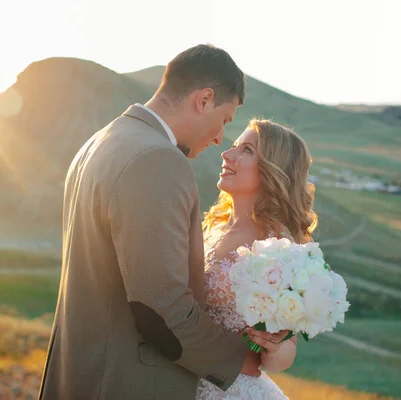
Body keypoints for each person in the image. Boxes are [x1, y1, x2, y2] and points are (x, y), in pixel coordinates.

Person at [38, 44, 261, 400]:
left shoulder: (102, 141)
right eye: (225, 119)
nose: (220, 137)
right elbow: (163, 309)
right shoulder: (158, 160)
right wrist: (239, 358)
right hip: (124, 383)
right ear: (204, 99)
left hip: (82, 372)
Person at [198, 118, 318, 399]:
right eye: (234, 146)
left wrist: (275, 347)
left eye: (247, 150)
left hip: (229, 388)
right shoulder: (212, 224)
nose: (227, 154)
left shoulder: (278, 245)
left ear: (273, 169)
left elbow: (286, 350)